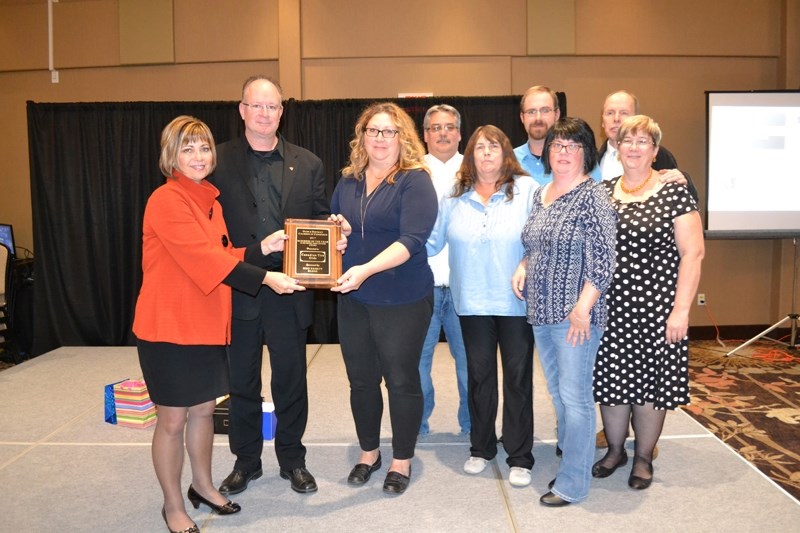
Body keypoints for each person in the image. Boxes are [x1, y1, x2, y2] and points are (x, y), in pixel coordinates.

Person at [133, 116, 286, 532]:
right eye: (187, 149)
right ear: (171, 156)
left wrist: (261, 248)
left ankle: (202, 486)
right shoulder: (166, 201)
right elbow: (204, 261)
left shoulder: (210, 201)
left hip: (204, 325)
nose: (198, 157)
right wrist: (267, 276)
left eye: (203, 148)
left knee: (202, 412)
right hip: (168, 328)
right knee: (172, 420)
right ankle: (172, 505)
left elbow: (222, 254)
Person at [209, 76, 329, 496]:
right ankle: (246, 461)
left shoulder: (309, 163)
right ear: (241, 110)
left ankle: (293, 460)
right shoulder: (216, 161)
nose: (265, 113)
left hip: (291, 290)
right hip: (240, 287)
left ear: (282, 111)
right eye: (256, 106)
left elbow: (319, 222)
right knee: (242, 381)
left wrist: (335, 232)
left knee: (291, 380)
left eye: (272, 106)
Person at [330, 102, 437, 495]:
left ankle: (401, 459)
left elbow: (411, 241)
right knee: (361, 381)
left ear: (402, 138)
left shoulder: (415, 180)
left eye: (389, 131)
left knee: (401, 380)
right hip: (354, 298)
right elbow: (338, 230)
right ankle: (369, 452)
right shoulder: (348, 183)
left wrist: (365, 269)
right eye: (372, 131)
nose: (379, 138)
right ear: (362, 138)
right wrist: (336, 236)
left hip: (402, 298)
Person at [592, 115, 704, 490]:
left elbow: (693, 253)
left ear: (655, 151)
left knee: (650, 387)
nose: (634, 148)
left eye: (643, 142)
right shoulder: (604, 191)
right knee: (612, 383)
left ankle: (642, 457)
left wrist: (682, 310)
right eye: (628, 141)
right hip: (611, 309)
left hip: (659, 309)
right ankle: (614, 451)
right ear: (617, 148)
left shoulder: (674, 191)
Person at [513, 117, 617, 506]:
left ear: (586, 153)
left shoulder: (593, 196)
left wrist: (582, 309)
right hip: (541, 313)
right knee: (559, 395)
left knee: (575, 399)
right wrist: (523, 266)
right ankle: (573, 458)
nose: (564, 153)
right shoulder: (542, 193)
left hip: (575, 316)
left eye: (573, 146)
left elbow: (604, 261)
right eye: (558, 145)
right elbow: (533, 244)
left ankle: (573, 484)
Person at [428, 125, 536, 488]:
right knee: (479, 378)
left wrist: (526, 264)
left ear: (506, 153)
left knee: (518, 380)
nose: (486, 153)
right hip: (471, 302)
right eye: (479, 148)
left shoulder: (527, 192)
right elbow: (428, 243)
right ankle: (481, 448)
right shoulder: (453, 196)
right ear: (470, 156)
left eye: (494, 146)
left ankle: (520, 456)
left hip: (516, 303)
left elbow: (541, 241)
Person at [417, 104, 470, 437]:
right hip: (422, 283)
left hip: (467, 284)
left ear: (460, 133)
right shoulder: (410, 171)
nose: (443, 133)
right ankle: (417, 424)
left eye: (450, 127)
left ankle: (473, 425)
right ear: (425, 135)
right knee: (417, 363)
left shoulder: (477, 167)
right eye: (435, 128)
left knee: (470, 365)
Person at [597, 90, 699, 200]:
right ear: (603, 121)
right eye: (610, 113)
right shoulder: (589, 160)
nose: (616, 119)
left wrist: (685, 181)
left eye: (624, 113)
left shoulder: (658, 155)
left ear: (636, 118)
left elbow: (683, 200)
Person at [513, 85, 562, 184]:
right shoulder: (508, 161)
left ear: (556, 114)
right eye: (531, 112)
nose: (538, 118)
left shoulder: (577, 159)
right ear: (522, 117)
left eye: (545, 110)